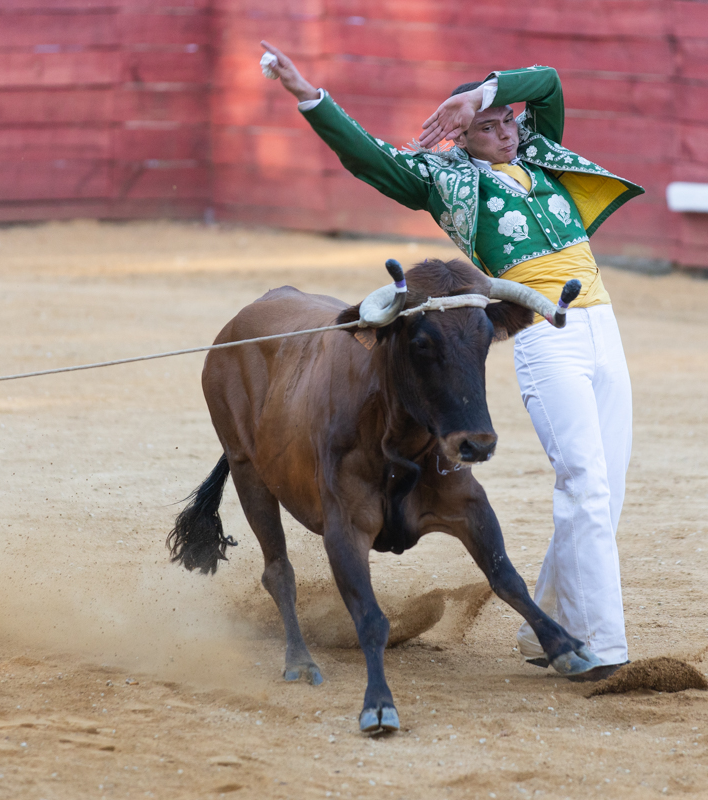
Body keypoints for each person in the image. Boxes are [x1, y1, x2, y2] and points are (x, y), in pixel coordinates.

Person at [259, 41, 642, 680]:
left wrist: (480, 95)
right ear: (462, 141)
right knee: (585, 482)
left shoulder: (541, 154)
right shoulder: (447, 180)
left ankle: (543, 619)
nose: (504, 134)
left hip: (603, 323)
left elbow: (544, 81)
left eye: (507, 122)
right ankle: (601, 648)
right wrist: (308, 95)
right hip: (543, 330)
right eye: (485, 129)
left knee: (608, 490)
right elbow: (368, 158)